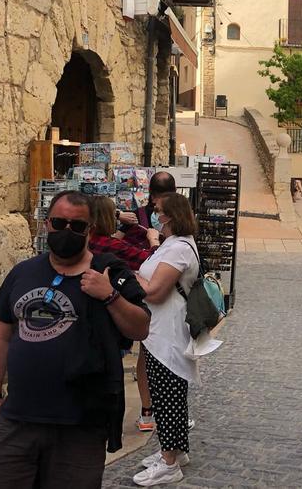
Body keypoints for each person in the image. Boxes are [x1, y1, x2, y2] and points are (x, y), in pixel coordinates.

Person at [0, 191, 150, 489]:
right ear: (47, 225)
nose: (67, 231)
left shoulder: (110, 271)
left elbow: (140, 329)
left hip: (80, 425)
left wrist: (109, 295)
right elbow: (1, 336)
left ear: (90, 230)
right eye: (59, 222)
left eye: (77, 226)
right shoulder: (23, 272)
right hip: (18, 418)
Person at [131, 193, 202, 486]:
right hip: (159, 330)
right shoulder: (170, 245)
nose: (153, 215)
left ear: (169, 216)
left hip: (168, 333)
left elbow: (156, 291)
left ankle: (169, 462)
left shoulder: (179, 250)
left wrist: (132, 277)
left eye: (157, 211)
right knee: (165, 395)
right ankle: (176, 451)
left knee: (168, 396)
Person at [118, 171, 176, 432]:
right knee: (146, 348)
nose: (160, 202)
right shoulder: (136, 216)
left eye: (166, 197)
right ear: (151, 196)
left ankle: (163, 409)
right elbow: (115, 240)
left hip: (165, 290)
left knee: (163, 351)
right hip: (140, 289)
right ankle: (148, 409)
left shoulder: (178, 216)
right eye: (158, 197)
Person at [88, 196, 156, 271]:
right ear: (109, 218)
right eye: (114, 214)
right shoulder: (114, 245)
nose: (116, 218)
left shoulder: (85, 240)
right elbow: (150, 260)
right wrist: (154, 240)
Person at [119, 171, 177, 248]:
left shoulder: (135, 216)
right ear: (175, 190)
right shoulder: (181, 217)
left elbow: (116, 240)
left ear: (149, 190)